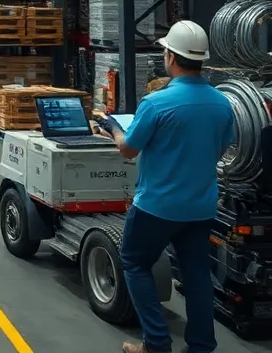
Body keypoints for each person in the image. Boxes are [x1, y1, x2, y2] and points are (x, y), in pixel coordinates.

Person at [93, 20, 235, 353]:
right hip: (201, 206)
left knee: (134, 262)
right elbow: (220, 149)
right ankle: (201, 346)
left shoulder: (156, 104)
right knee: (197, 273)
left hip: (157, 206)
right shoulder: (222, 104)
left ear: (170, 56)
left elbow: (129, 149)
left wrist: (112, 128)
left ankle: (156, 343)